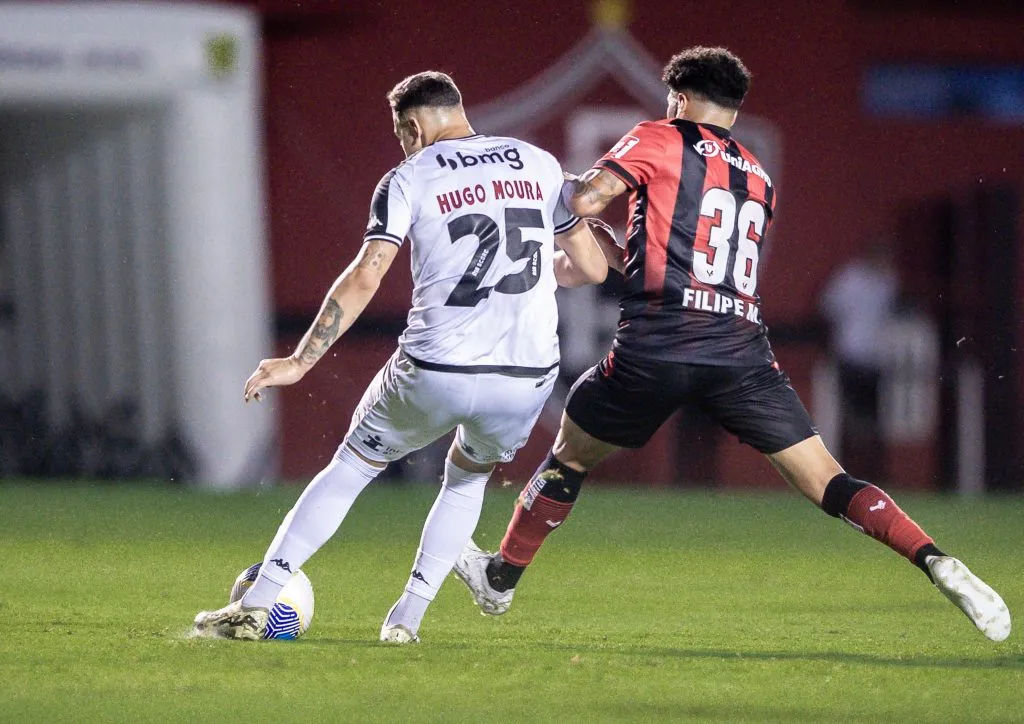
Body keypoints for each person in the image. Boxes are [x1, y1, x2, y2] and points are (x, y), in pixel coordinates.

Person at [454, 47, 1011, 642]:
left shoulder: (659, 136)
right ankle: (933, 558)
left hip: (658, 344)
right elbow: (697, 266)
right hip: (740, 352)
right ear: (735, 112)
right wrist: (621, 250)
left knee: (570, 455)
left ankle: (501, 577)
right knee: (828, 480)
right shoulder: (758, 175)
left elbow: (588, 200)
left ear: (678, 98)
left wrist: (559, 195)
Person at [193, 71, 608, 643]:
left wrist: (299, 361)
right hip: (525, 376)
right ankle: (405, 620)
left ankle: (257, 605)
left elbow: (367, 273)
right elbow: (591, 269)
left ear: (413, 126)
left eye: (401, 133)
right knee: (465, 482)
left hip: (436, 369)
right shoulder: (536, 163)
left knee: (350, 469)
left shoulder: (409, 177)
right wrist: (545, 272)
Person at [819, 242, 899, 479]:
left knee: (875, 420)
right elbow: (827, 307)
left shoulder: (888, 281)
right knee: (848, 418)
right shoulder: (850, 278)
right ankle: (844, 472)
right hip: (849, 356)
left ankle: (874, 474)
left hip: (875, 359)